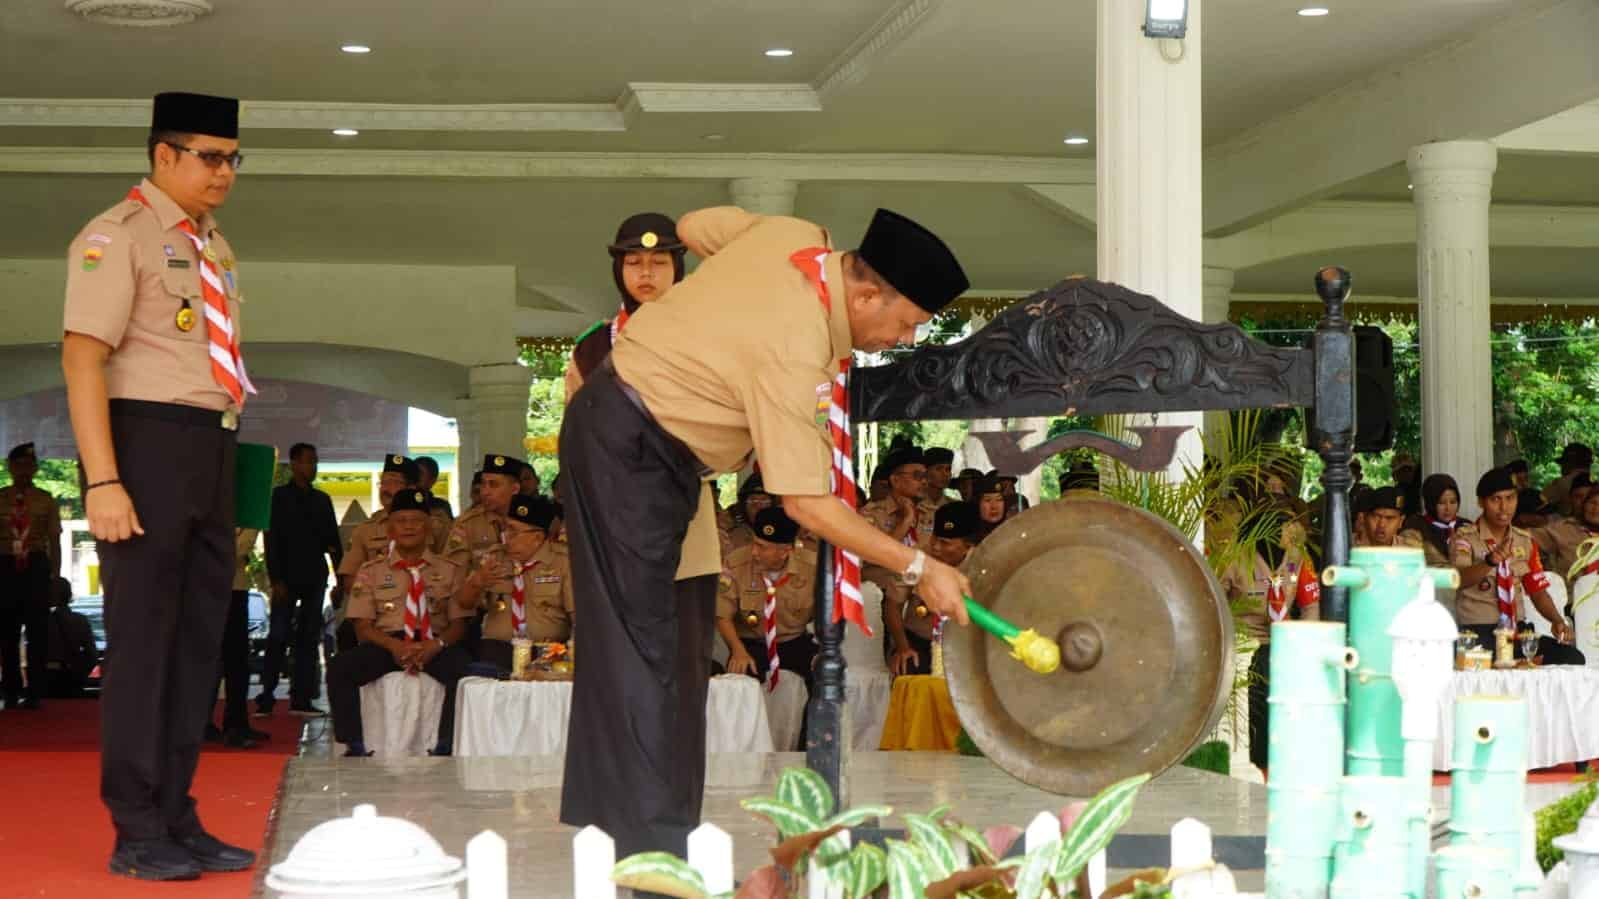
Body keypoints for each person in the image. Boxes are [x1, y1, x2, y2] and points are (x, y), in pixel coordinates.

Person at [559, 204, 972, 862]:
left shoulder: (795, 236)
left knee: (679, 653)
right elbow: (806, 502)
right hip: (626, 449)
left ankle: (654, 835)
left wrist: (710, 318)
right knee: (644, 656)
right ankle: (650, 864)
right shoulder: (794, 345)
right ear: (866, 292)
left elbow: (693, 226)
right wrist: (921, 568)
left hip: (657, 452)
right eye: (905, 322)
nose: (902, 339)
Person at [61, 91, 256, 880]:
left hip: (209, 446)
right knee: (143, 649)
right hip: (143, 443)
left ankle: (177, 812)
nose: (224, 173)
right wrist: (102, 479)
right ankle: (136, 825)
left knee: (195, 644)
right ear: (162, 154)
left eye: (232, 158)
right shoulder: (118, 235)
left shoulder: (212, 243)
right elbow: (82, 358)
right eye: (208, 156)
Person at [326, 489, 474, 757]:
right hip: (387, 644)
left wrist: (435, 645)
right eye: (402, 521)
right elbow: (362, 625)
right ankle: (354, 744)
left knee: (466, 673)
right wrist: (393, 645)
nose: (409, 527)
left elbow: (459, 625)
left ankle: (445, 745)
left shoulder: (449, 570)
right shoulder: (371, 571)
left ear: (429, 528)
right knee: (339, 668)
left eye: (416, 521)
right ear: (390, 529)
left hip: (432, 643)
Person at [1221, 509, 1320, 776]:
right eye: (1285, 530)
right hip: (1246, 647)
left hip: (1284, 645)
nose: (1291, 535)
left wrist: (1302, 641)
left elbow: (1311, 605)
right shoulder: (1235, 557)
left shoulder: (1297, 560)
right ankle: (1260, 764)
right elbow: (1214, 603)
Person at [1451, 468, 1583, 665]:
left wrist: (1557, 620)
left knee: (1571, 658)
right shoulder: (1465, 538)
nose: (1504, 507)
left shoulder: (1525, 541)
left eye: (1510, 498)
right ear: (1481, 502)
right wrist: (1489, 562)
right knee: (1492, 665)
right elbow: (1458, 580)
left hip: (1517, 632)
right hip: (1479, 632)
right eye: (1495, 499)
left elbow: (1537, 591)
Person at [257, 442, 342, 717]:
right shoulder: (278, 497)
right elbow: (271, 541)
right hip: (286, 577)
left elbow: (333, 542)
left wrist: (340, 578)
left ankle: (301, 698)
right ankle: (266, 695)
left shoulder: (322, 500)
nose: (312, 467)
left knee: (308, 638)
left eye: (315, 462)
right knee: (278, 635)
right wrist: (275, 579)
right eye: (307, 461)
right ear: (294, 464)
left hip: (314, 576)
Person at [455, 494, 573, 671]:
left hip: (547, 651)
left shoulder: (562, 562)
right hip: (497, 650)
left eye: (513, 531)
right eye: (505, 529)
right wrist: (477, 582)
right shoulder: (494, 558)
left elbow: (578, 618)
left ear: (537, 537)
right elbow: (463, 603)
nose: (506, 536)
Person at [716, 508, 818, 694]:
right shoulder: (735, 563)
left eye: (762, 546)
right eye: (754, 543)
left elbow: (829, 615)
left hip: (794, 641)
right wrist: (737, 649)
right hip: (752, 643)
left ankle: (811, 724)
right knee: (738, 683)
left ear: (785, 551)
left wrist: (824, 650)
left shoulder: (811, 567)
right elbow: (722, 613)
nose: (754, 551)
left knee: (826, 677)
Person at [329, 454, 421, 655]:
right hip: (376, 614)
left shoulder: (432, 527)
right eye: (384, 481)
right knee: (346, 639)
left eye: (395, 482)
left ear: (412, 488)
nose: (387, 488)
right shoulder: (365, 530)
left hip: (421, 612)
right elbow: (350, 579)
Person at [0, 442, 62, 709]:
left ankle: (36, 692)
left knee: (38, 631)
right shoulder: (0, 498)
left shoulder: (45, 499)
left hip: (36, 566)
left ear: (35, 468)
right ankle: (10, 691)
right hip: (4, 565)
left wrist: (56, 577)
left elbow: (54, 540)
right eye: (19, 465)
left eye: (29, 465)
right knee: (7, 632)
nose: (24, 470)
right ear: (10, 468)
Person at [886, 501, 980, 676]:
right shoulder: (917, 557)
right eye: (935, 538)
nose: (936, 547)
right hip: (920, 641)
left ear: (968, 546)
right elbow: (893, 604)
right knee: (907, 666)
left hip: (965, 648)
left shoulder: (983, 566)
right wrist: (903, 648)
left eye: (945, 543)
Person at [208, 528, 265, 748]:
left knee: (237, 661)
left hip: (234, 588)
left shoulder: (245, 511)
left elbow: (240, 549)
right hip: (204, 589)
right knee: (207, 659)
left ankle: (236, 725)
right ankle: (202, 723)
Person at [45, 577, 97, 698]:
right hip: (72, 678)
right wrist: (80, 673)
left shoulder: (42, 623)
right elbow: (92, 655)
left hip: (47, 679)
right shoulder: (80, 621)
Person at [1401, 473, 1462, 567]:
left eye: (1453, 502)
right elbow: (1410, 564)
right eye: (1441, 503)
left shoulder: (1466, 526)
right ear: (1430, 502)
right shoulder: (1415, 525)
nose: (1448, 508)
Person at [1355, 488, 1421, 549]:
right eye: (1376, 516)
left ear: (1401, 521)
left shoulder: (1409, 552)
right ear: (1365, 518)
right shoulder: (1348, 547)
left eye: (1390, 518)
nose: (1381, 525)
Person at [415, 455, 455, 550]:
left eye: (419, 473)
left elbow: (448, 541)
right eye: (413, 472)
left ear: (432, 480)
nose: (415, 477)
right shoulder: (400, 503)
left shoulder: (441, 507)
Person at [1542, 443, 1593, 518]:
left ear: (1568, 463)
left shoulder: (1561, 483)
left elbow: (1538, 502)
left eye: (1563, 464)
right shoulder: (1594, 484)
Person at [974, 476, 1009, 542]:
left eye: (999, 499)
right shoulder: (970, 539)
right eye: (987, 500)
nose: (994, 506)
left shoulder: (1012, 533)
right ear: (977, 503)